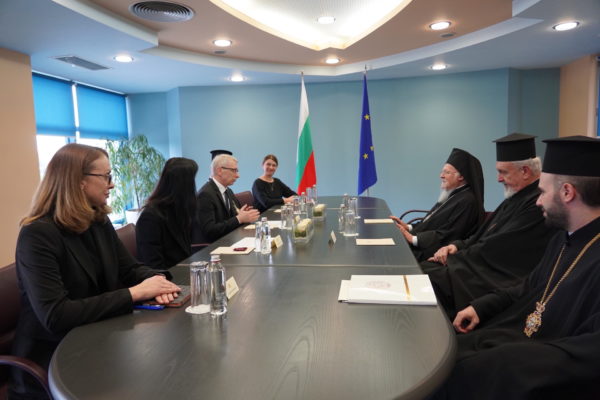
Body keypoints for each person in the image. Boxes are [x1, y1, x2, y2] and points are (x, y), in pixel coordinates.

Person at [432, 135, 600, 400]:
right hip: (515, 335)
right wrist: (482, 306)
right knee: (439, 350)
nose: (538, 201)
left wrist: (512, 358)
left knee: (456, 373)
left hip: (540, 366)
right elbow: (529, 286)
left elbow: (589, 352)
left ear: (567, 193)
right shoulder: (562, 239)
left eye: (543, 192)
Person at [10, 143, 180, 400]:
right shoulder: (37, 234)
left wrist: (157, 282)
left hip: (99, 341)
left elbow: (129, 268)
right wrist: (135, 293)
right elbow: (56, 315)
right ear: (78, 181)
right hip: (53, 361)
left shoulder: (97, 220)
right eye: (106, 176)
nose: (112, 184)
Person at [421, 133, 556, 317]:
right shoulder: (515, 197)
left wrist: (455, 258)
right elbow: (483, 234)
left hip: (495, 278)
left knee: (427, 277)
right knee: (424, 270)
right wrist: (456, 246)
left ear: (525, 171)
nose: (499, 179)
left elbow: (499, 249)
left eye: (503, 172)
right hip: (476, 265)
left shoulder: (536, 205)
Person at [390, 148, 485, 261]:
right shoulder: (451, 194)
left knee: (390, 255)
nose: (441, 176)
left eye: (447, 172)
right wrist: (408, 227)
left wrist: (413, 239)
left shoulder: (467, 201)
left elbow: (450, 234)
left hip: (431, 252)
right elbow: (431, 222)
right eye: (442, 172)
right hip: (421, 244)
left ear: (461, 177)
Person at [136, 157, 198, 269]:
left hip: (182, 271)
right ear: (183, 185)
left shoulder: (179, 210)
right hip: (167, 277)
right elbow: (154, 266)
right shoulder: (150, 218)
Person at [193, 154, 260, 243]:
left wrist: (242, 214)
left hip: (231, 239)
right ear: (219, 171)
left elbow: (231, 218)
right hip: (216, 245)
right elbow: (210, 230)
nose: (238, 175)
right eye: (234, 170)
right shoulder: (205, 194)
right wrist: (239, 219)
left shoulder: (228, 190)